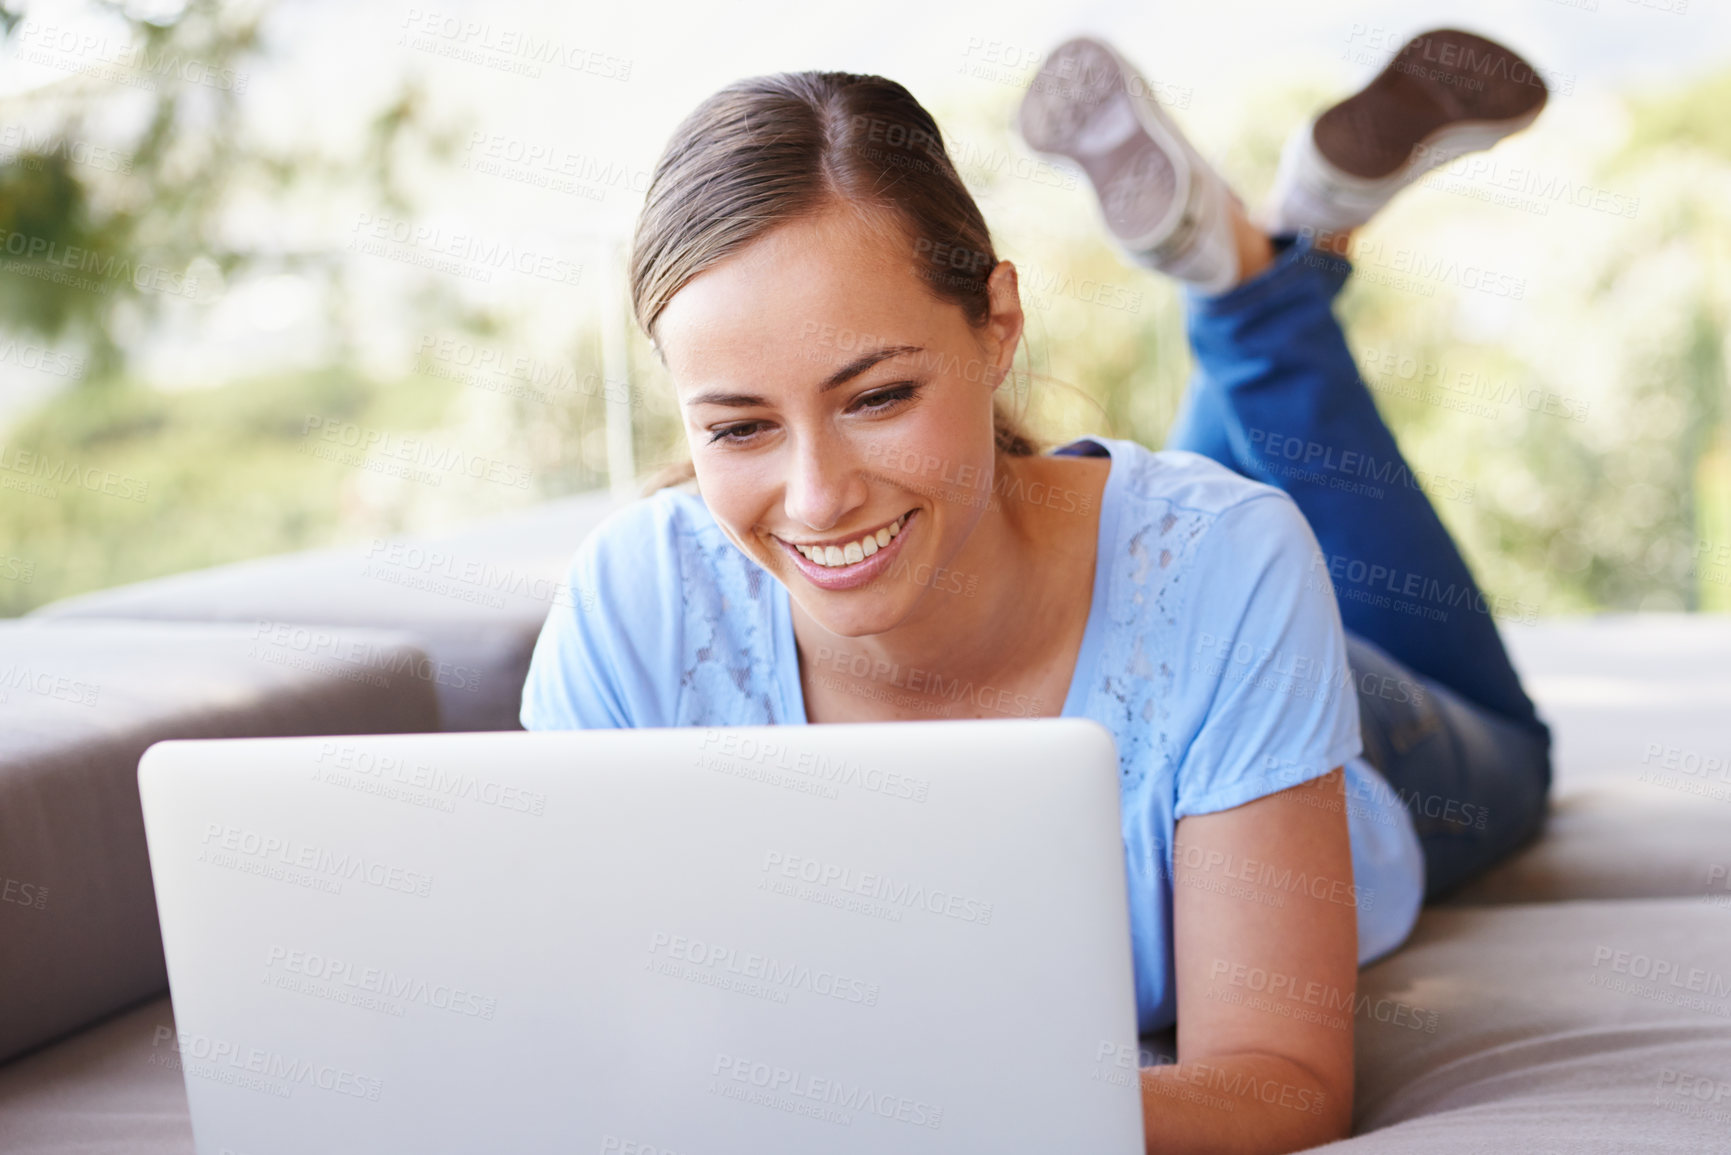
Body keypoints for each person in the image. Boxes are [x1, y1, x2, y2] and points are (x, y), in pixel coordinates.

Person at [522, 27, 1554, 1153]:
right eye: (738, 426)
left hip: (1357, 735)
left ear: (998, 325)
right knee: (1200, 535)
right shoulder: (636, 608)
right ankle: (1280, 248)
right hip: (1183, 589)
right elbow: (580, 1044)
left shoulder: (1227, 569)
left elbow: (1278, 1081)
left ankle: (1257, 288)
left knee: (1500, 747)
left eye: (877, 397)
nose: (817, 501)